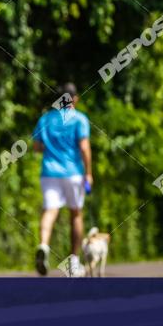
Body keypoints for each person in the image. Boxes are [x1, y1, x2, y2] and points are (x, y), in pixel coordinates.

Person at [33, 82, 92, 276]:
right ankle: (73, 262)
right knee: (75, 214)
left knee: (50, 211)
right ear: (75, 99)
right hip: (73, 172)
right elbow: (84, 148)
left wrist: (51, 148)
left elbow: (36, 147)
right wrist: (89, 173)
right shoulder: (79, 119)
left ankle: (43, 245)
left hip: (49, 172)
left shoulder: (46, 119)